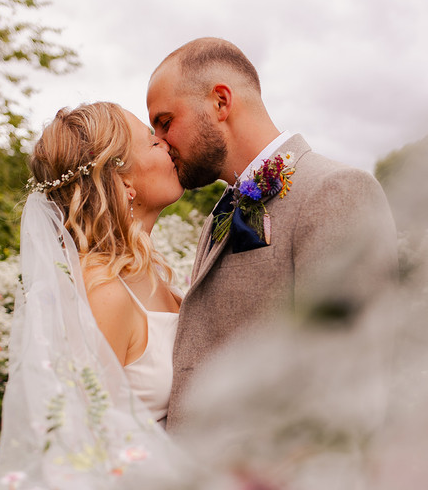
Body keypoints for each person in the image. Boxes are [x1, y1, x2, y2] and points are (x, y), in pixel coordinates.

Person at [0, 102, 185, 490]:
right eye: (151, 139)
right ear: (119, 179)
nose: (166, 145)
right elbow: (81, 465)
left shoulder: (147, 271)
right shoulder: (104, 296)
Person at [147, 37, 399, 431]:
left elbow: (349, 390)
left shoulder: (338, 191)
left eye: (165, 122)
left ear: (220, 102)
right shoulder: (222, 212)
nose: (160, 143)